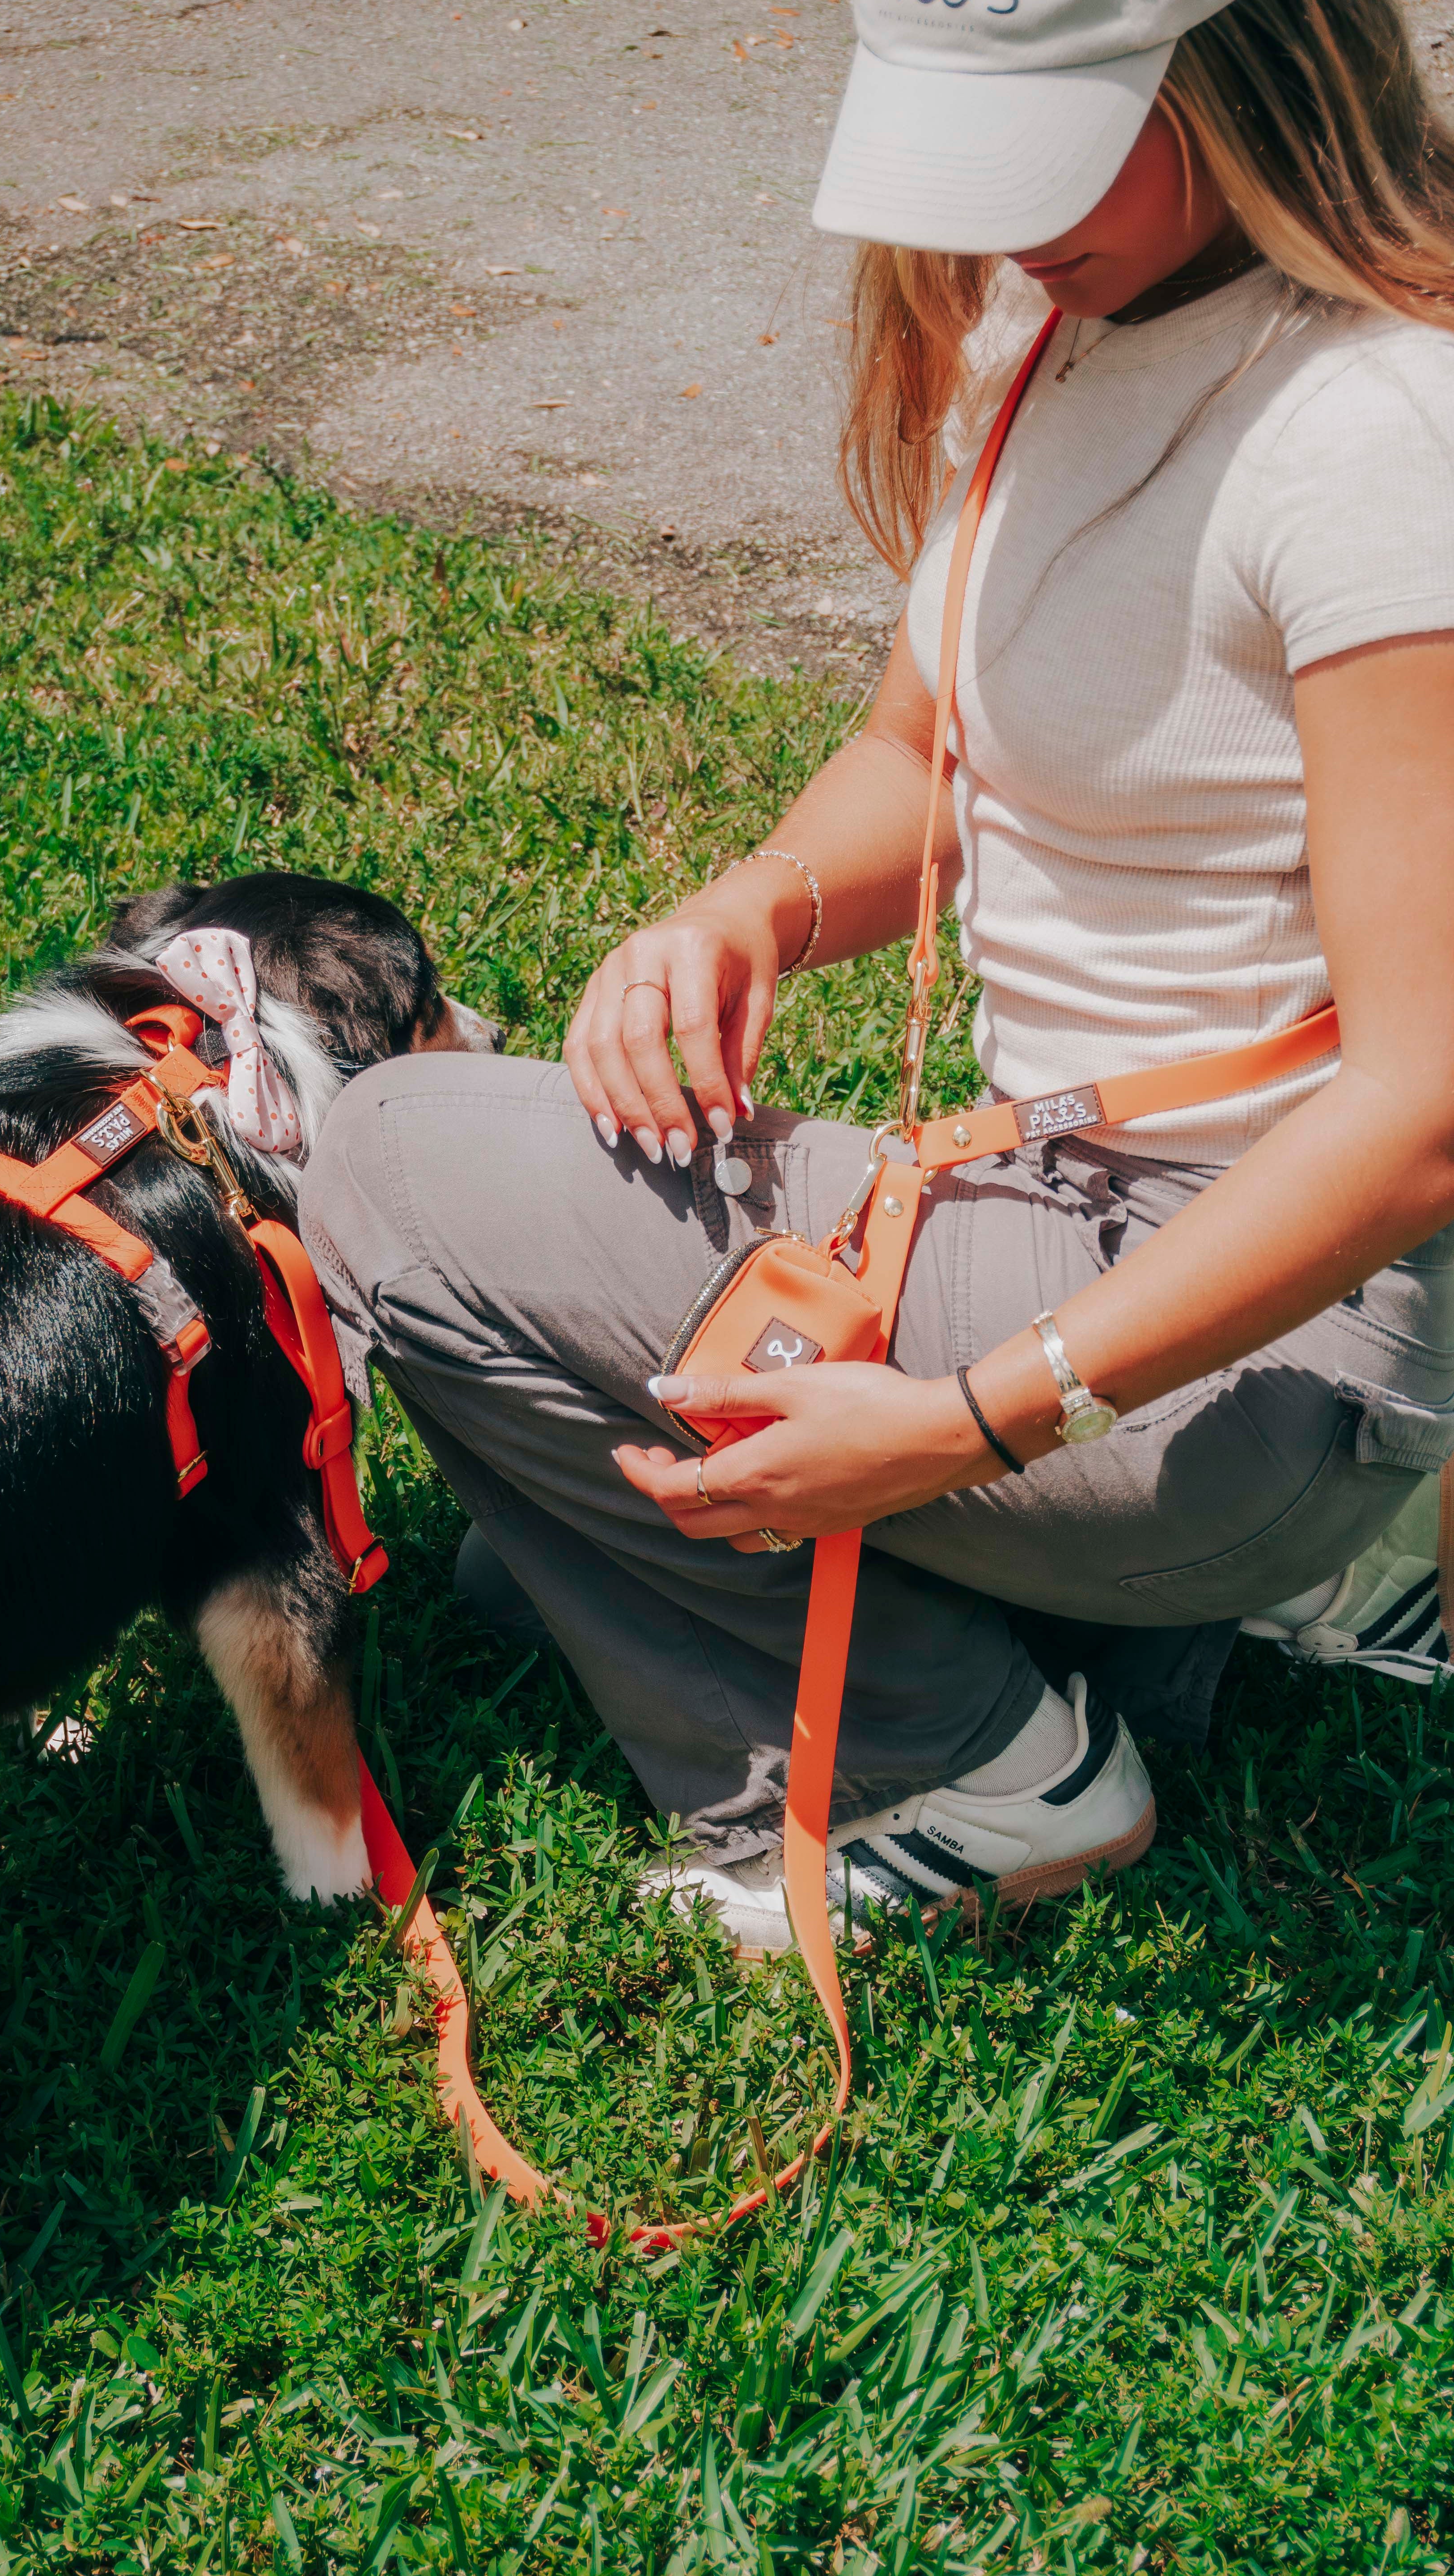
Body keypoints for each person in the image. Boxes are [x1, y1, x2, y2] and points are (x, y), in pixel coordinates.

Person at [302, 0, 1454, 1953]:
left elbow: (1424, 1106)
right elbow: (922, 751)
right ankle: (1243, 1591)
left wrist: (972, 1423)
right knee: (531, 1551)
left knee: (399, 1166)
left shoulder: (1373, 434)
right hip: (1102, 1240)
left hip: (1260, 1324)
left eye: (1051, 142)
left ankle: (970, 1767)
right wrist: (747, 906)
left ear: (1241, 74)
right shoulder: (1072, 327)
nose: (1000, 224)